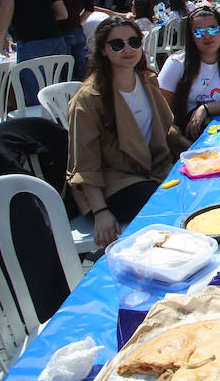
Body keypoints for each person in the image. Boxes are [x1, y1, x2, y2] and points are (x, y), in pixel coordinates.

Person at [66, 16, 174, 247]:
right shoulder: (89, 98)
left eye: (134, 42)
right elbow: (85, 163)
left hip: (154, 168)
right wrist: (101, 212)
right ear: (103, 50)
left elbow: (165, 129)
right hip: (113, 182)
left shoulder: (147, 80)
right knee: (168, 206)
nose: (128, 49)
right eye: (117, 44)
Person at [158, 6, 220, 149]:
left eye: (213, 29)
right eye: (198, 32)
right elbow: (161, 112)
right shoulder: (177, 64)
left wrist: (206, 108)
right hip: (190, 140)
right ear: (191, 37)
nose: (207, 36)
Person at [0, 0, 68, 105]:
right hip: (56, 40)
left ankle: (42, 127)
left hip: (31, 41)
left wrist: (2, 37)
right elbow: (62, 14)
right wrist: (42, 18)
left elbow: (7, 4)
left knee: (37, 95)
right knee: (58, 91)